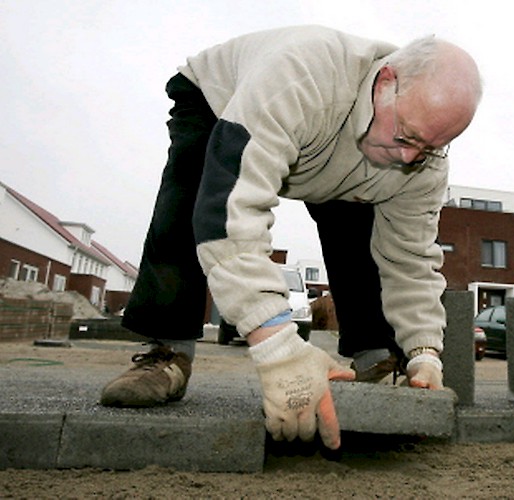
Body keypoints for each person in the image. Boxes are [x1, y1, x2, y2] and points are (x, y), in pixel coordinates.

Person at [100, 25, 482, 451]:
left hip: (327, 149)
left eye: (430, 147)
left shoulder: (420, 160)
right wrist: (277, 347)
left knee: (361, 223)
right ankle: (166, 351)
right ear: (387, 82)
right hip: (221, 99)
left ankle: (377, 354)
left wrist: (425, 352)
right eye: (408, 136)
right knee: (191, 201)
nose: (412, 157)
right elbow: (232, 210)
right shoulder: (301, 76)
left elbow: (411, 258)